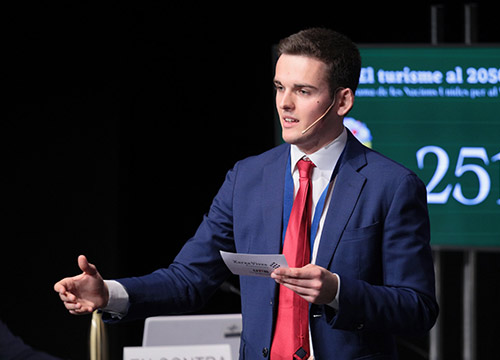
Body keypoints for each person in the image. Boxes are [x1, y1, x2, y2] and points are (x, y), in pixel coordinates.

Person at [55, 28, 438, 359]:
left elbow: (417, 309)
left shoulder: (392, 185)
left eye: (303, 91)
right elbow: (189, 278)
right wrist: (109, 293)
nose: (285, 104)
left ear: (342, 101)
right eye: (279, 87)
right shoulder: (247, 177)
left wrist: (338, 291)